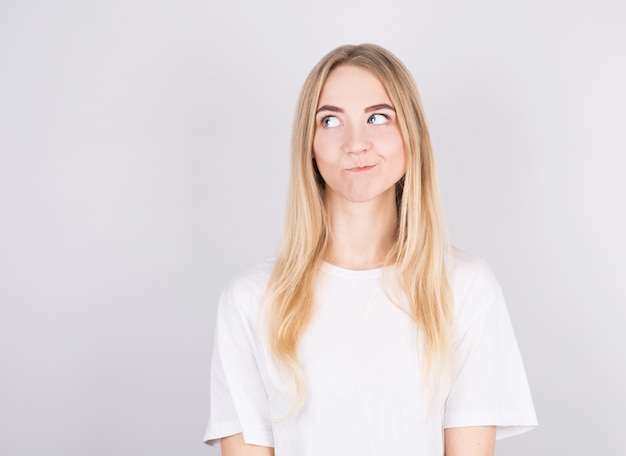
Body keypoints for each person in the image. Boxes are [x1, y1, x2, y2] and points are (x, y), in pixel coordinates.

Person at [204, 44, 537, 456]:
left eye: (378, 118)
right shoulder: (251, 301)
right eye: (330, 120)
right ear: (308, 144)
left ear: (409, 134)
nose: (355, 143)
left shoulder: (465, 288)